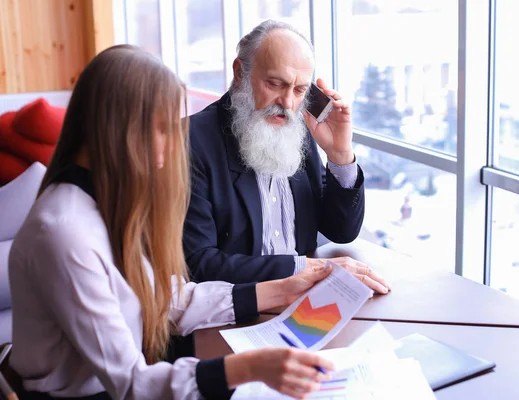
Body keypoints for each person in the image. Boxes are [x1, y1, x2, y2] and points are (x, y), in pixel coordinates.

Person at [8, 45, 335, 400]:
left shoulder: (100, 205)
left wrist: (285, 288)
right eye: (163, 129)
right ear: (118, 129)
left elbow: (164, 301)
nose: (173, 146)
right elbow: (132, 384)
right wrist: (252, 367)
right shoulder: (64, 233)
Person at [184, 20, 390, 294]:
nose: (288, 103)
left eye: (300, 90)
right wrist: (302, 269)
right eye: (275, 84)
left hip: (307, 300)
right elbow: (198, 263)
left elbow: (342, 232)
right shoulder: (190, 141)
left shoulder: (298, 128)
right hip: (236, 310)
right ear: (239, 73)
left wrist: (340, 155)